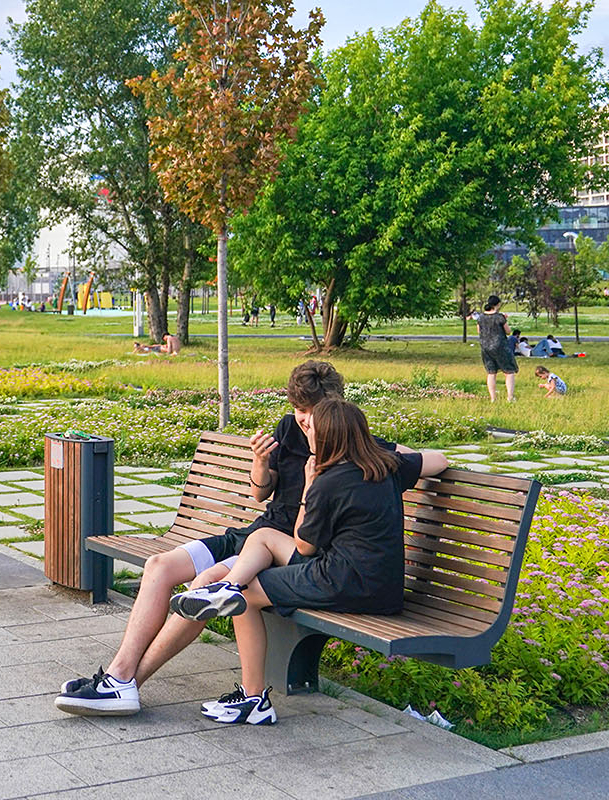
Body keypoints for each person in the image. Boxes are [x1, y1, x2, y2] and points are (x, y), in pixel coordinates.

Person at [55, 361, 389, 716]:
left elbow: (410, 460)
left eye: (309, 413)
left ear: (335, 407)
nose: (302, 420)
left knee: (205, 586)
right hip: (252, 535)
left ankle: (121, 681)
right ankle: (120, 681)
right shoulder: (289, 431)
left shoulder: (353, 441)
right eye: (298, 410)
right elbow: (261, 493)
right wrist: (259, 462)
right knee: (159, 566)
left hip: (279, 549)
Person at [171, 398, 448, 725]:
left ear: (327, 438)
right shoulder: (387, 466)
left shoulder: (328, 480)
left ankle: (253, 698)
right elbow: (439, 460)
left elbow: (304, 543)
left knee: (245, 600)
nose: (307, 435)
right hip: (381, 586)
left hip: (343, 582)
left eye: (312, 430)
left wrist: (309, 486)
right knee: (263, 537)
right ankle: (226, 585)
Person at [471, 295, 516, 401]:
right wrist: (505, 319)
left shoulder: (480, 318)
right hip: (500, 346)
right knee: (509, 372)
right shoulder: (499, 317)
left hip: (486, 347)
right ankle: (510, 397)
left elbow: (479, 331)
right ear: (498, 304)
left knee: (491, 372)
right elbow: (508, 331)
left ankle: (493, 398)